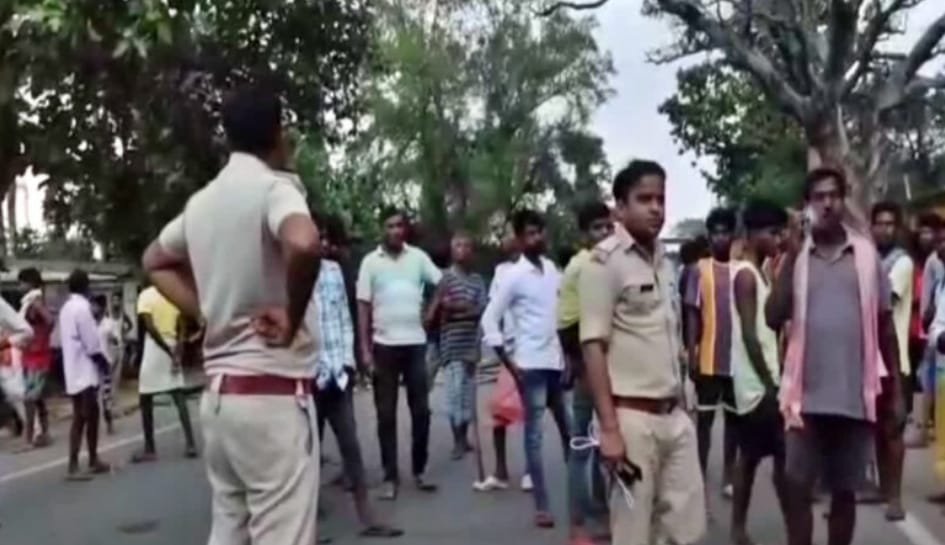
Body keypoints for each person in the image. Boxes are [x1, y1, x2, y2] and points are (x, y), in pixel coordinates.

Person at [142, 86, 322, 545]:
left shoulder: (201, 203)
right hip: (271, 397)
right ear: (279, 134)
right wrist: (291, 317)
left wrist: (205, 310)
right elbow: (304, 243)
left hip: (221, 401)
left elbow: (154, 260)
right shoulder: (275, 189)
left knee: (229, 530)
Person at [765, 167, 903, 545]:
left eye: (833, 196)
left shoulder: (866, 255)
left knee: (844, 493)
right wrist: (792, 256)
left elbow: (885, 326)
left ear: (843, 200)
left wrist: (896, 392)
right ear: (807, 204)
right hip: (803, 400)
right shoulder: (798, 257)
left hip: (853, 397)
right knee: (797, 487)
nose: (827, 204)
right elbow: (772, 316)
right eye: (819, 197)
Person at [580, 160, 705, 545]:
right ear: (620, 207)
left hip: (674, 415)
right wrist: (610, 430)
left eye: (661, 199)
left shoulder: (664, 262)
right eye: (644, 199)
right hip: (631, 419)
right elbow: (593, 346)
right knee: (633, 533)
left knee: (685, 531)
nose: (655, 208)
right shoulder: (603, 263)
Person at [308, 215, 403, 539]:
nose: (322, 244)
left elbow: (344, 318)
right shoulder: (291, 273)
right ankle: (305, 527)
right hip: (309, 376)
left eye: (325, 237)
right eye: (316, 237)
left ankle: (368, 518)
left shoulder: (334, 272)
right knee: (307, 453)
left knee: (351, 447)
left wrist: (349, 364)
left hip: (338, 373)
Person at [481, 209, 570, 529]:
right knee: (534, 436)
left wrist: (568, 358)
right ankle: (542, 506)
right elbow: (489, 319)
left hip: (555, 362)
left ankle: (583, 500)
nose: (537, 238)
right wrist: (508, 361)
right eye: (530, 234)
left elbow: (561, 315)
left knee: (570, 433)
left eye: (540, 232)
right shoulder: (513, 276)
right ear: (519, 240)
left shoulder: (552, 271)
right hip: (529, 364)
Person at [356, 207, 442, 500]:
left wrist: (430, 312)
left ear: (405, 230)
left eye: (399, 226)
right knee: (385, 415)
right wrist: (365, 350)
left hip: (415, 343)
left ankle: (419, 470)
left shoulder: (418, 258)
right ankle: (389, 477)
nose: (395, 231)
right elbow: (363, 307)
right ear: (382, 229)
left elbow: (441, 283)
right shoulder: (370, 262)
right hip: (384, 346)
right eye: (390, 226)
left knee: (421, 411)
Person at [730, 200, 790, 545]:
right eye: (773, 232)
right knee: (765, 457)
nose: (778, 239)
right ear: (753, 234)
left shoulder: (760, 272)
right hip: (758, 385)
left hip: (763, 379)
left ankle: (745, 526)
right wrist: (769, 382)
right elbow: (750, 335)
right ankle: (744, 527)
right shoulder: (746, 276)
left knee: (757, 457)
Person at [558, 201, 613, 545]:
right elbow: (566, 324)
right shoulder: (580, 267)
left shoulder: (609, 263)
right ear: (583, 234)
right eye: (596, 228)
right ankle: (578, 524)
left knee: (603, 443)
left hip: (611, 368)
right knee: (581, 446)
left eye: (608, 226)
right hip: (588, 369)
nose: (604, 233)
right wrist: (580, 367)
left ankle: (602, 511)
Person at [685, 207, 739, 497]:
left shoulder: (742, 269)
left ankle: (729, 475)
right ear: (709, 237)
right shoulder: (699, 270)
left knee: (734, 421)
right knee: (704, 421)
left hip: (737, 360)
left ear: (733, 235)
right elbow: (692, 313)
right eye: (715, 233)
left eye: (725, 232)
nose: (720, 238)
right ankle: (699, 476)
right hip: (707, 358)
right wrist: (692, 354)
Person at [474, 232, 532, 492]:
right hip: (507, 348)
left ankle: (531, 470)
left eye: (512, 235)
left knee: (531, 410)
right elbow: (492, 311)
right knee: (499, 411)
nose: (506, 241)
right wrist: (488, 344)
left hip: (531, 346)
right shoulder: (501, 271)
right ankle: (500, 472)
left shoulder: (539, 269)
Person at [867, 201, 912, 520]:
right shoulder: (872, 259)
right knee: (877, 429)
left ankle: (895, 497)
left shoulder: (902, 262)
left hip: (896, 357)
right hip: (872, 355)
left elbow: (883, 300)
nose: (883, 229)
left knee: (893, 427)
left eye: (889, 224)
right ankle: (883, 488)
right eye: (879, 223)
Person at [426, 232, 487, 459]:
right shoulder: (446, 278)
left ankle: (464, 436)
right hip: (451, 344)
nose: (462, 249)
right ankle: (457, 440)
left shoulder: (477, 280)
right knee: (454, 392)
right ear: (452, 251)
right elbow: (441, 308)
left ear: (472, 251)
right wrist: (463, 309)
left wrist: (456, 309)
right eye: (458, 245)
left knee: (468, 393)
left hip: (471, 344)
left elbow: (481, 309)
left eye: (466, 245)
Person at [130, 285, 198, 462]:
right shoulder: (172, 292)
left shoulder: (145, 295)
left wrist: (167, 350)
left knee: (145, 396)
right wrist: (178, 349)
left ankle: (150, 447)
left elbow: (150, 327)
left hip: (155, 347)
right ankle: (190, 443)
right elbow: (182, 324)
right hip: (172, 342)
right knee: (178, 394)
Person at [59, 269, 113, 480]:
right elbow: (91, 343)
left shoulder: (66, 308)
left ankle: (91, 459)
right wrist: (104, 363)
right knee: (84, 416)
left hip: (72, 369)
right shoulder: (83, 308)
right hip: (84, 370)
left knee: (88, 414)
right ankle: (76, 465)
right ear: (86, 286)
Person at [910, 213, 942, 449]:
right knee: (929, 377)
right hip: (935, 331)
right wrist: (925, 325)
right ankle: (925, 427)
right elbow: (927, 297)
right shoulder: (933, 261)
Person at [17, 267, 53, 448]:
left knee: (29, 398)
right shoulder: (29, 302)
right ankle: (44, 433)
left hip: (38, 357)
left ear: (30, 283)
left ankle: (29, 437)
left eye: (21, 283)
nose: (19, 287)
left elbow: (50, 321)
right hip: (29, 355)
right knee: (37, 398)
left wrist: (40, 340)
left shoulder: (35, 302)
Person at [91, 294, 120, 434]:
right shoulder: (89, 324)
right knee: (91, 397)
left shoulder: (110, 324)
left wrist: (113, 361)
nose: (92, 308)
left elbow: (116, 344)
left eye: (94, 306)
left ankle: (109, 422)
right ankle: (93, 425)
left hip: (105, 364)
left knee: (106, 397)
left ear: (101, 307)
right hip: (91, 365)